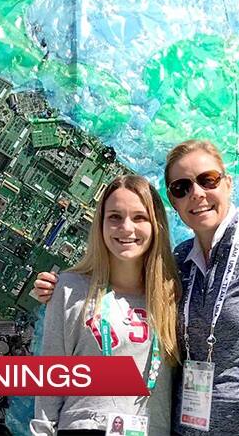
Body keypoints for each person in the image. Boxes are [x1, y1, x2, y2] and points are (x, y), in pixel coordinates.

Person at [34, 140, 239, 435]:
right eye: (182, 188)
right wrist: (65, 289)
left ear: (228, 183)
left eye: (208, 179)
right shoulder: (178, 265)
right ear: (173, 201)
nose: (197, 193)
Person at [30, 175, 181, 436]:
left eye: (139, 217)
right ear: (100, 225)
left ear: (156, 225)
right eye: (114, 217)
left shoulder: (172, 296)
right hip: (85, 427)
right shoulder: (69, 288)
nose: (126, 228)